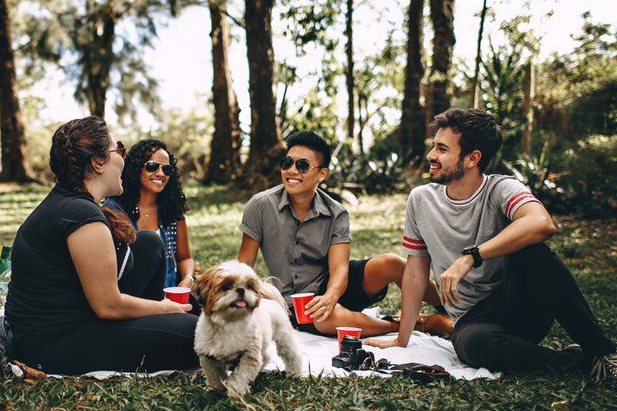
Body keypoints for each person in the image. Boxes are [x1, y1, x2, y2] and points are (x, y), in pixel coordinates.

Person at [366, 108, 617, 380]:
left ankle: (602, 353)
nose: (431, 155)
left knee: (532, 254)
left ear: (473, 158)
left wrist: (471, 257)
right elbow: (415, 272)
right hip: (472, 322)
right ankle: (575, 362)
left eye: (441, 149)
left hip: (518, 304)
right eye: (433, 147)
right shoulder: (420, 200)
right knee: (474, 343)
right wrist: (402, 338)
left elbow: (541, 223)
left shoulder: (501, 189)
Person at [5, 118, 199, 375]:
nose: (123, 158)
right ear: (98, 162)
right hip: (52, 344)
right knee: (196, 334)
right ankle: (165, 324)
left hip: (79, 316)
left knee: (149, 243)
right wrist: (165, 307)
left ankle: (160, 324)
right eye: (118, 149)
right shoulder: (80, 215)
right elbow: (108, 306)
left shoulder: (73, 203)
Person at [237, 130, 452, 338]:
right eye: (287, 163)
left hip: (334, 285)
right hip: (294, 303)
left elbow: (340, 268)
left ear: (321, 174)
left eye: (302, 166)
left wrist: (330, 297)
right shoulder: (260, 206)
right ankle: (412, 325)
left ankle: (453, 309)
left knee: (391, 263)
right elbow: (243, 265)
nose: (292, 171)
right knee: (326, 318)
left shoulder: (336, 212)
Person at [105, 139, 195, 290]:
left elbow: (185, 257)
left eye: (167, 169)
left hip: (170, 298)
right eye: (152, 166)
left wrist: (188, 279)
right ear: (136, 168)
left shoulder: (172, 210)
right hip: (130, 299)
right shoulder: (115, 210)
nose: (160, 174)